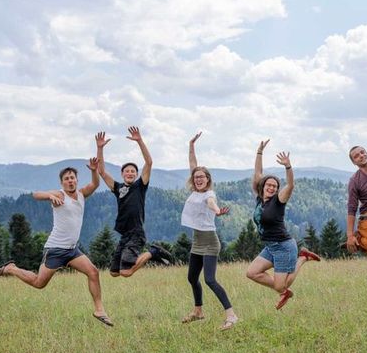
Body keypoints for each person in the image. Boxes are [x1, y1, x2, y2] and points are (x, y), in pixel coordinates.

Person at [0, 158, 114, 326]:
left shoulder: (81, 194)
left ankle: (99, 310)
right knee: (39, 283)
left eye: (72, 178)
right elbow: (36, 194)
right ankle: (12, 268)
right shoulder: (59, 195)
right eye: (67, 179)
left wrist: (94, 170)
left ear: (76, 180)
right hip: (55, 249)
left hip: (72, 250)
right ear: (62, 183)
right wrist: (50, 195)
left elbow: (95, 184)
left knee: (93, 272)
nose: (70, 181)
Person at [245, 139, 321, 310]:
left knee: (280, 286)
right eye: (269, 185)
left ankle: (303, 258)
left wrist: (288, 166)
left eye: (275, 186)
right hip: (270, 247)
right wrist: (259, 152)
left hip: (284, 246)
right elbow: (258, 173)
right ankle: (285, 291)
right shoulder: (259, 199)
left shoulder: (278, 201)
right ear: (263, 186)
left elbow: (291, 185)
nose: (271, 188)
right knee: (252, 273)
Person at [180, 132, 239, 330]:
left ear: (208, 180)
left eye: (202, 177)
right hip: (197, 242)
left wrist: (217, 211)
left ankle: (231, 316)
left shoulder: (209, 194)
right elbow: (193, 164)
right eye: (196, 177)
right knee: (191, 278)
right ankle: (198, 311)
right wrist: (191, 145)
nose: (198, 179)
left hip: (210, 242)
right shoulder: (195, 191)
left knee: (210, 279)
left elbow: (212, 203)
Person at [96, 128, 173, 277]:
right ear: (122, 174)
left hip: (136, 233)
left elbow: (149, 162)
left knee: (125, 272)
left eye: (133, 171)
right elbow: (102, 172)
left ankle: (153, 252)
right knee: (114, 273)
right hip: (125, 234)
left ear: (136, 175)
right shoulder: (117, 188)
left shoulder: (140, 186)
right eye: (127, 171)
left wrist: (139, 141)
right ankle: (152, 253)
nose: (130, 173)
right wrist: (100, 148)